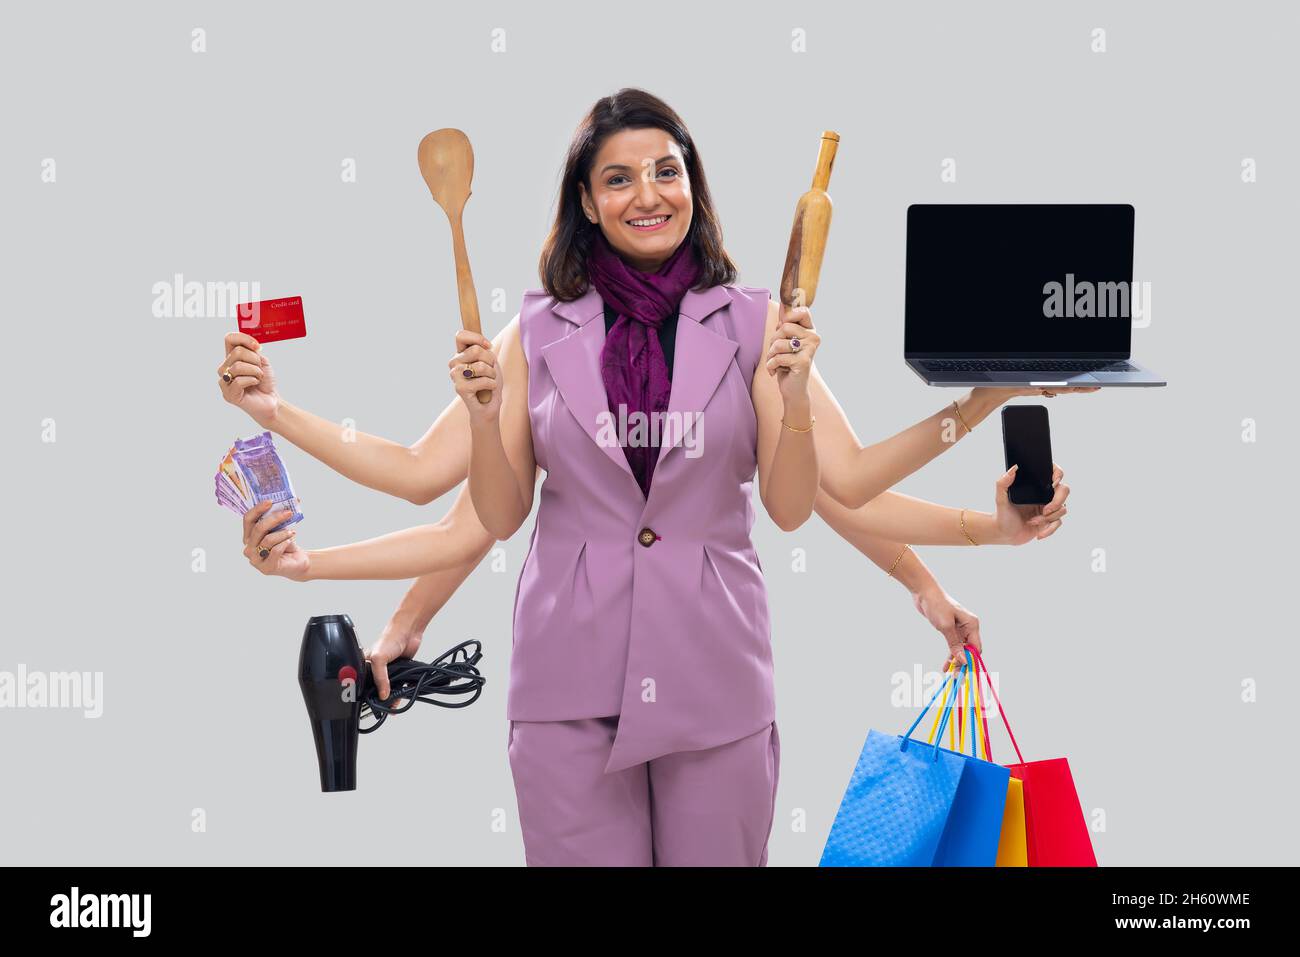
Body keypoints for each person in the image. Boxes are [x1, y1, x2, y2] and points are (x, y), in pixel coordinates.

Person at [217, 88, 1091, 866]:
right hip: (566, 690)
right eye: (618, 178)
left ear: (693, 187)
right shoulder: (536, 334)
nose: (647, 194)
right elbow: (442, 488)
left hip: (717, 683)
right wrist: (277, 418)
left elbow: (839, 485)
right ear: (587, 205)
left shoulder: (757, 324)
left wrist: (979, 454)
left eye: (666, 171)